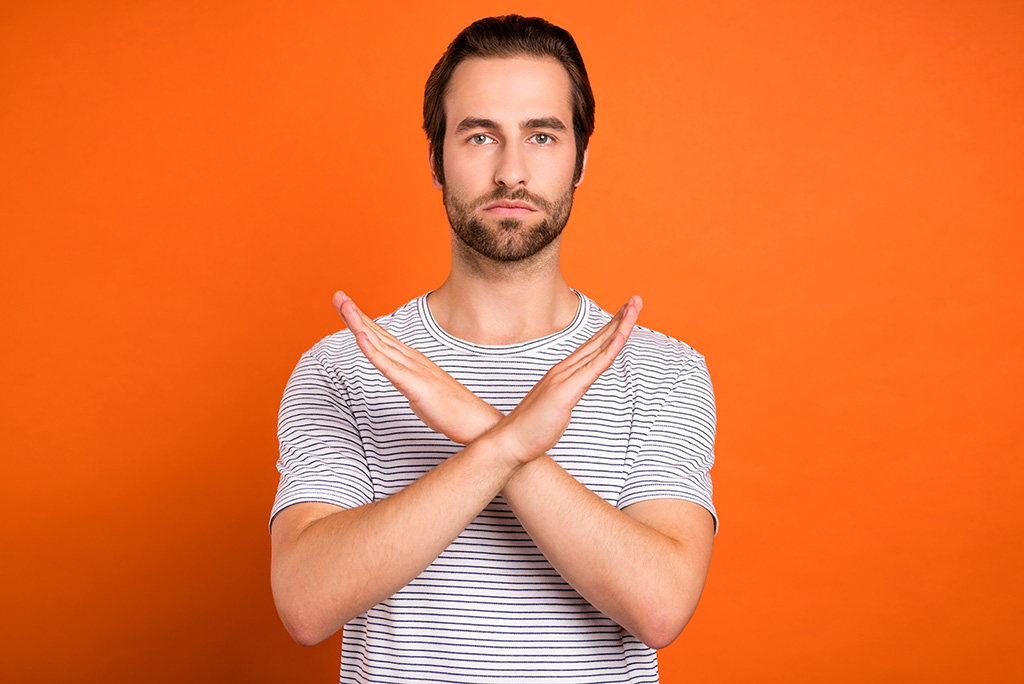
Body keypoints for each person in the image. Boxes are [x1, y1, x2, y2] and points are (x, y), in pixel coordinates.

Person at [270, 14, 717, 683]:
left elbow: (658, 606)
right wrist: (505, 444)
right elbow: (305, 603)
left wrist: (480, 429)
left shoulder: (662, 372)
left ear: (582, 159)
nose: (512, 172)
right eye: (480, 136)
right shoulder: (342, 367)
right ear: (435, 158)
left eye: (542, 135)